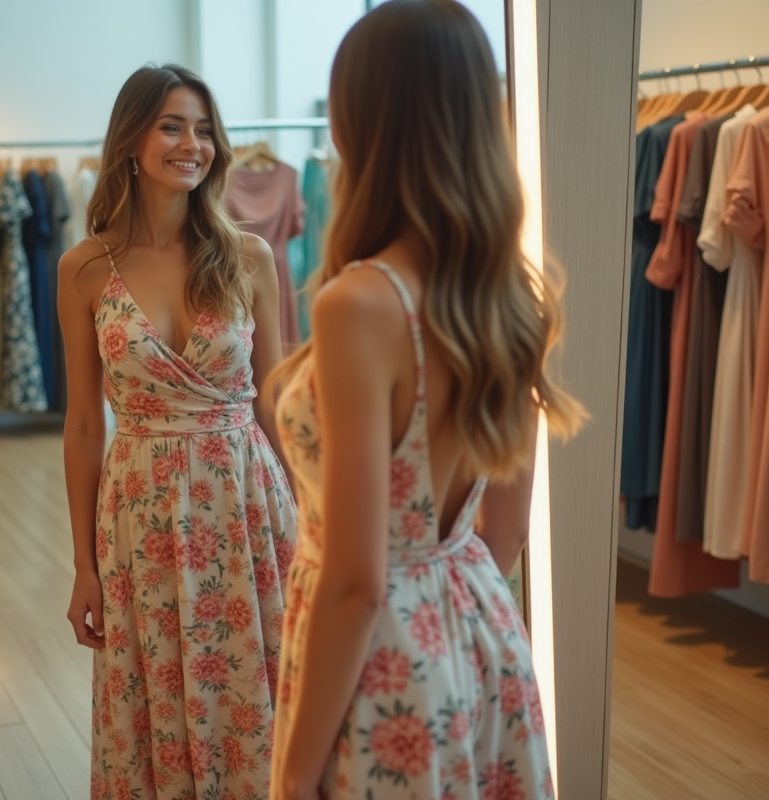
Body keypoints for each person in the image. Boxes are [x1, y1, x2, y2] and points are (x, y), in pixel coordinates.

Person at [267, 2, 586, 799]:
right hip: (477, 633)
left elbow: (356, 578)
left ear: (361, 124)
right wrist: (446, 618)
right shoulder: (508, 294)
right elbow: (505, 529)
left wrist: (294, 775)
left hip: (381, 658)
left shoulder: (361, 305)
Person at [58, 63, 298, 800]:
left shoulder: (249, 257)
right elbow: (80, 425)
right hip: (141, 515)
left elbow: (280, 402)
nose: (192, 143)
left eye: (202, 129)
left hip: (245, 499)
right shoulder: (85, 269)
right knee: (154, 694)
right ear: (130, 140)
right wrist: (84, 566)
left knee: (265, 687)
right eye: (171, 125)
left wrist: (313, 519)